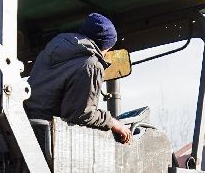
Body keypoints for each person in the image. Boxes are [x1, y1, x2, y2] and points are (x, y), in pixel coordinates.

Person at [24, 11, 132, 144]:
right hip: (45, 136)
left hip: (26, 124)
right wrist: (114, 123)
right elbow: (82, 115)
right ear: (105, 46)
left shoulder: (55, 46)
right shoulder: (92, 65)